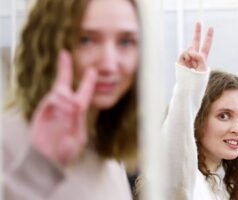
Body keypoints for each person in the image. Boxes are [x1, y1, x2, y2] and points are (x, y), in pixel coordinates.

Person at [3, 0, 140, 199]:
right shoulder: (8, 141)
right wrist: (38, 167)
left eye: (125, 41)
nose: (109, 64)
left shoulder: (106, 148)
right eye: (86, 40)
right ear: (51, 44)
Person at [163, 22, 238, 199]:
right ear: (197, 118)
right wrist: (188, 86)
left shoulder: (220, 190)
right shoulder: (182, 183)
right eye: (224, 116)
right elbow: (174, 150)